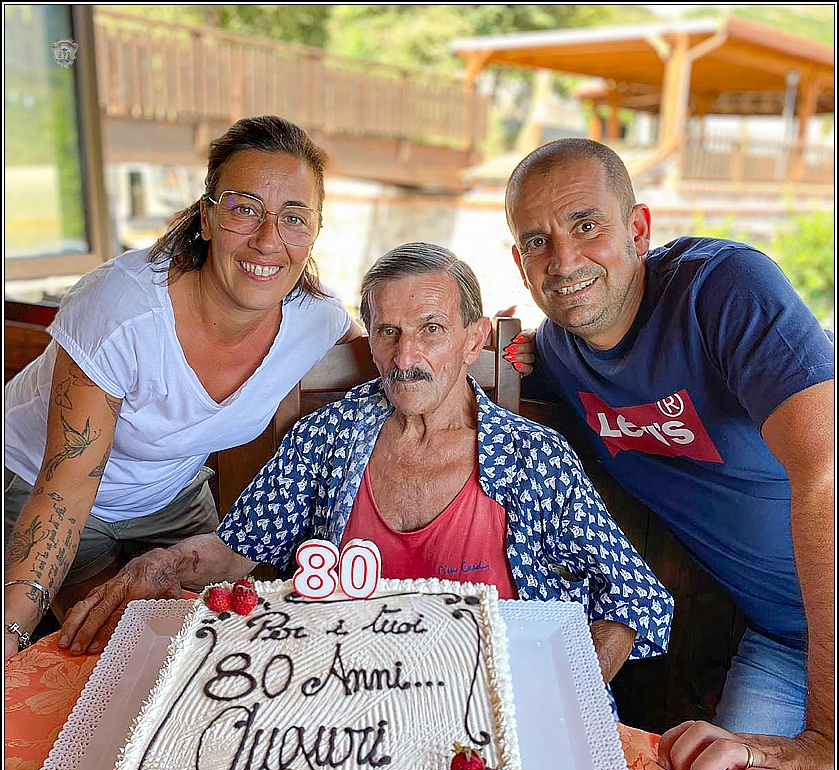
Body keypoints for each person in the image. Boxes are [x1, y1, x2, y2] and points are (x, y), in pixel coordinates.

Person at [60, 244, 673, 691]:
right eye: (388, 332)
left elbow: (637, 599)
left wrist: (566, 696)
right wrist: (159, 564)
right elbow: (233, 549)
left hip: (491, 709)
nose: (406, 358)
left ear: (473, 339)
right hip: (339, 712)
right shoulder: (329, 438)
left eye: (432, 330)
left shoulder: (533, 459)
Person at [504, 138, 834, 770]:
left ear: (638, 230)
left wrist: (826, 738)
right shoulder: (559, 352)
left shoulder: (721, 289)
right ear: (520, 262)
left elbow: (825, 472)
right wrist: (489, 349)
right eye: (537, 241)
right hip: (781, 639)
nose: (563, 260)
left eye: (586, 225)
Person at [4, 115, 365, 662]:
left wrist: (507, 352)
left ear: (314, 230)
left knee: (199, 654)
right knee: (108, 650)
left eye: (294, 217)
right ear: (206, 218)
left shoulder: (316, 322)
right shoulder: (122, 310)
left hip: (171, 501)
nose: (268, 240)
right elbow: (66, 489)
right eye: (244, 209)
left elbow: (392, 354)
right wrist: (10, 631)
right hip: (39, 486)